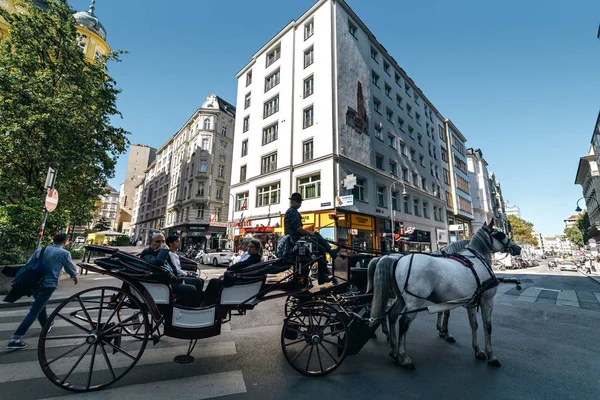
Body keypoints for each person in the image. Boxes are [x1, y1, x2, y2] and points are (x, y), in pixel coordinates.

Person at [6, 233, 79, 350]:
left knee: (40, 305)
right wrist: (75, 277)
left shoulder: (41, 250)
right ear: (65, 242)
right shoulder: (64, 253)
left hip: (35, 282)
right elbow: (70, 268)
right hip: (48, 284)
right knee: (35, 310)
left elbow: (28, 264)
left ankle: (46, 325)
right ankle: (15, 338)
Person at [285, 192, 336, 284]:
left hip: (295, 239)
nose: (300, 204)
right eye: (298, 202)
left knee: (316, 236)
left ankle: (331, 253)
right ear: (293, 202)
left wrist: (309, 233)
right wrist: (309, 232)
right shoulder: (293, 212)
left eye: (300, 202)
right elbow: (298, 228)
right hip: (295, 240)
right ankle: (323, 275)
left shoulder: (291, 211)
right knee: (321, 250)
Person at [140, 233, 200, 307]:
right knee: (191, 289)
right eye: (157, 242)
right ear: (151, 243)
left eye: (163, 242)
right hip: (163, 283)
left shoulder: (163, 253)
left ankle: (197, 305)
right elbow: (158, 262)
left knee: (198, 281)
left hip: (172, 279)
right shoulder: (148, 252)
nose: (161, 244)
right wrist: (163, 250)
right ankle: (186, 309)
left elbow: (173, 268)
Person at [202, 239, 264, 304]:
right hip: (241, 279)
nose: (249, 248)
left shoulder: (254, 258)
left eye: (252, 247)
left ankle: (207, 302)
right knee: (215, 281)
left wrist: (230, 269)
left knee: (214, 282)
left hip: (240, 281)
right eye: (249, 246)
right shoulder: (254, 257)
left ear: (257, 249)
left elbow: (238, 266)